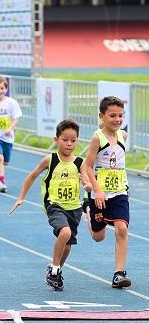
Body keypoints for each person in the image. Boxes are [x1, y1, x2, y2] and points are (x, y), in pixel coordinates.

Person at [9, 119, 91, 291]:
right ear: (56, 139)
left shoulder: (79, 163)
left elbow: (88, 183)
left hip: (74, 208)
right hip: (54, 205)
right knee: (65, 232)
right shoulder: (50, 160)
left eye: (73, 140)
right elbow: (32, 176)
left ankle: (55, 271)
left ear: (77, 140)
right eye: (65, 140)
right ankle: (54, 270)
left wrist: (88, 187)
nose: (69, 144)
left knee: (67, 246)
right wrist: (21, 197)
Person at [84, 96, 131, 288]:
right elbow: (87, 166)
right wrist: (96, 190)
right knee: (98, 237)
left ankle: (118, 274)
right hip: (100, 194)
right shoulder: (97, 138)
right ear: (101, 116)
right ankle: (87, 209)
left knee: (122, 228)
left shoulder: (123, 135)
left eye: (120, 116)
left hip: (120, 191)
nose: (117, 119)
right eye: (112, 116)